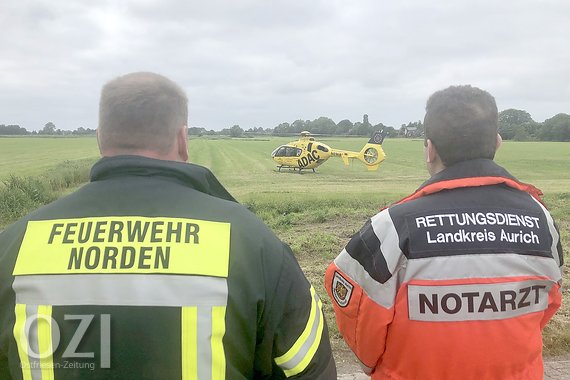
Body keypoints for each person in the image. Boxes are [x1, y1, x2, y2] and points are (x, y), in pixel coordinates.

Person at [0, 72, 336, 379]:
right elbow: (311, 369)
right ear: (183, 140)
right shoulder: (254, 244)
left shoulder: (14, 245)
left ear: (101, 139)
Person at [325, 85, 564, 379]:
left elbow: (355, 313)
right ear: (498, 143)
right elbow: (547, 303)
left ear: (430, 149)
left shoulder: (391, 227)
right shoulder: (541, 220)